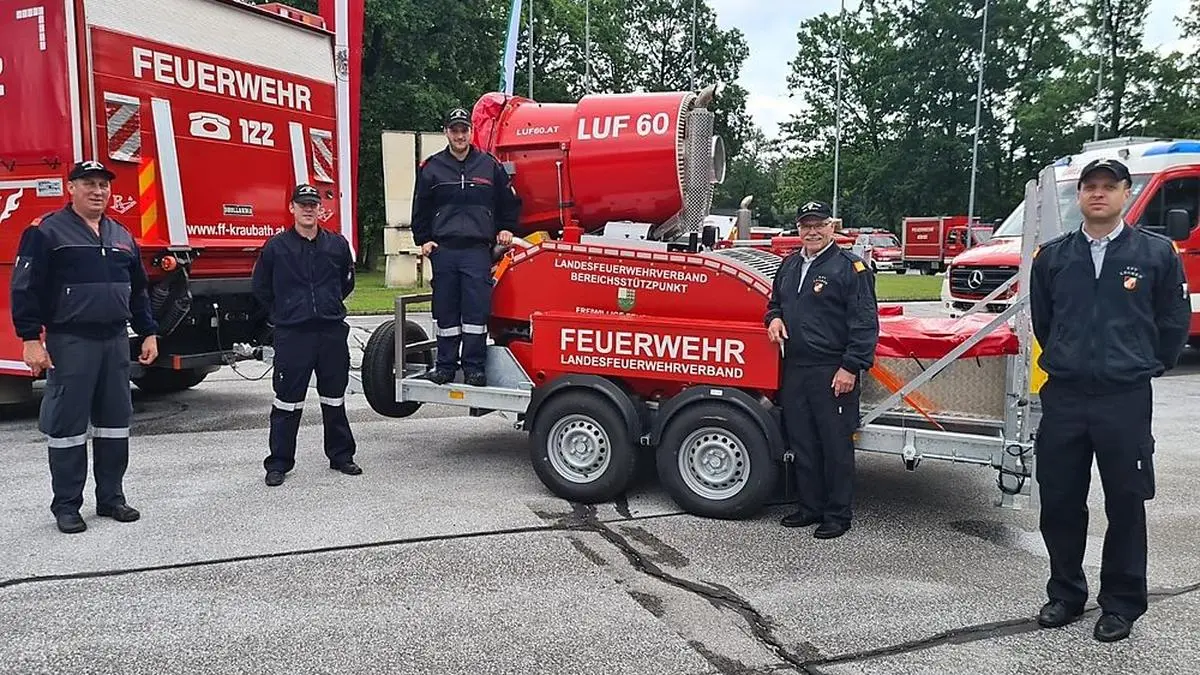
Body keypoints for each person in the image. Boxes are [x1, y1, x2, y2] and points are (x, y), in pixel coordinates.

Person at [1029, 158, 1189, 642]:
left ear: (1124, 193)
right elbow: (1044, 323)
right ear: (1079, 196)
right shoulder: (1053, 257)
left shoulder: (1156, 254)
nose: (1098, 194)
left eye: (1109, 186)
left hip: (1123, 398)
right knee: (1059, 500)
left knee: (1125, 501)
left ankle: (1120, 604)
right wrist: (1071, 358)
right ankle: (1066, 594)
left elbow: (1173, 323)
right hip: (1067, 398)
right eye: (1089, 187)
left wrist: (1140, 365)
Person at [10, 159, 159, 534]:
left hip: (114, 340)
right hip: (70, 340)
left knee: (114, 424)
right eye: (89, 184)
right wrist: (31, 340)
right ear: (71, 188)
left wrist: (148, 332)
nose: (98, 191)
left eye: (103, 185)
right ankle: (67, 506)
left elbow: (139, 290)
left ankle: (111, 498)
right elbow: (24, 289)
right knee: (68, 427)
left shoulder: (121, 234)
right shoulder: (46, 232)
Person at [764, 200, 879, 540]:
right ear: (798, 228)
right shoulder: (788, 266)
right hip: (795, 367)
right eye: (805, 225)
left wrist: (850, 367)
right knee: (802, 441)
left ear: (832, 227)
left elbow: (865, 323)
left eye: (819, 224)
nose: (811, 231)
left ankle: (837, 514)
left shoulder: (850, 268)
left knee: (834, 445)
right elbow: (774, 305)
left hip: (833, 370)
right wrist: (774, 319)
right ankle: (809, 507)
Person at [251, 183, 358, 487]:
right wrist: (284, 313)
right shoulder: (276, 247)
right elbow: (261, 287)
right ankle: (279, 463)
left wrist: (328, 305)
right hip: (293, 334)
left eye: (313, 204)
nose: (308, 209)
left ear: (320, 209)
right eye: (302, 204)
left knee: (334, 397)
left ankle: (341, 456)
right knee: (287, 401)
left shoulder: (336, 245)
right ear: (292, 209)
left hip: (330, 332)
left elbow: (346, 283)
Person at [411, 106, 521, 386]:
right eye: (454, 130)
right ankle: (445, 366)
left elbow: (508, 202)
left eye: (464, 130)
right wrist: (423, 239)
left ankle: (474, 368)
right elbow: (420, 206)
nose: (460, 135)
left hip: (476, 250)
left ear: (471, 132)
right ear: (446, 132)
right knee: (446, 310)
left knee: (475, 311)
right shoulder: (432, 167)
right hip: (444, 249)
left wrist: (507, 228)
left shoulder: (489, 165)